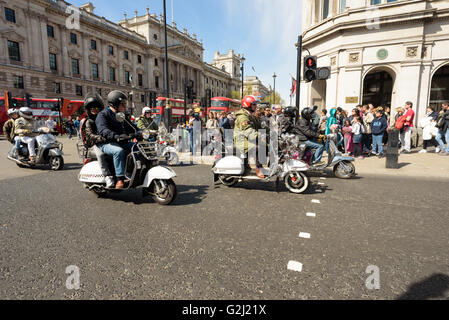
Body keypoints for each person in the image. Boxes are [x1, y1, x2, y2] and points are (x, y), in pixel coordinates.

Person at [96, 90, 138, 189]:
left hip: (120, 141)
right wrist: (116, 136)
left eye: (125, 103)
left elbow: (131, 126)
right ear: (114, 104)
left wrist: (141, 132)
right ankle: (120, 179)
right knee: (118, 151)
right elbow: (103, 130)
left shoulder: (121, 114)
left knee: (138, 147)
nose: (125, 106)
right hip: (106, 142)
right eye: (122, 104)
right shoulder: (103, 115)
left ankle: (133, 171)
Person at [80, 93, 115, 188]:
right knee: (101, 154)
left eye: (97, 109)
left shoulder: (103, 119)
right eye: (92, 109)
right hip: (94, 144)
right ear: (89, 110)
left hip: (105, 142)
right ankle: (107, 176)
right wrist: (102, 138)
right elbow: (90, 135)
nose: (95, 111)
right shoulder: (89, 121)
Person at [234, 95, 264, 178]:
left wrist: (273, 131)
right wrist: (261, 136)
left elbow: (260, 127)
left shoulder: (251, 116)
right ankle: (256, 167)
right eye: (254, 104)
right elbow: (249, 132)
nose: (256, 106)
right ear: (248, 105)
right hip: (242, 140)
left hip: (247, 138)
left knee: (266, 145)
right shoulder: (243, 117)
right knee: (255, 147)